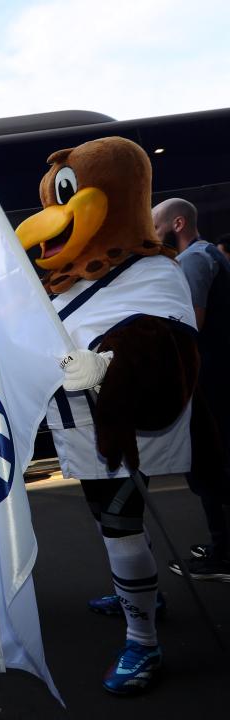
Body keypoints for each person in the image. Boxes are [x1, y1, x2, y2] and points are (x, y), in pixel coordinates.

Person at [152, 198, 230, 581]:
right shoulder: (208, 255)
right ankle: (222, 546)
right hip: (216, 377)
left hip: (210, 381)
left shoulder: (194, 260)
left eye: (156, 227)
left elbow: (190, 324)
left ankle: (223, 556)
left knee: (210, 469)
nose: (153, 236)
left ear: (178, 223)